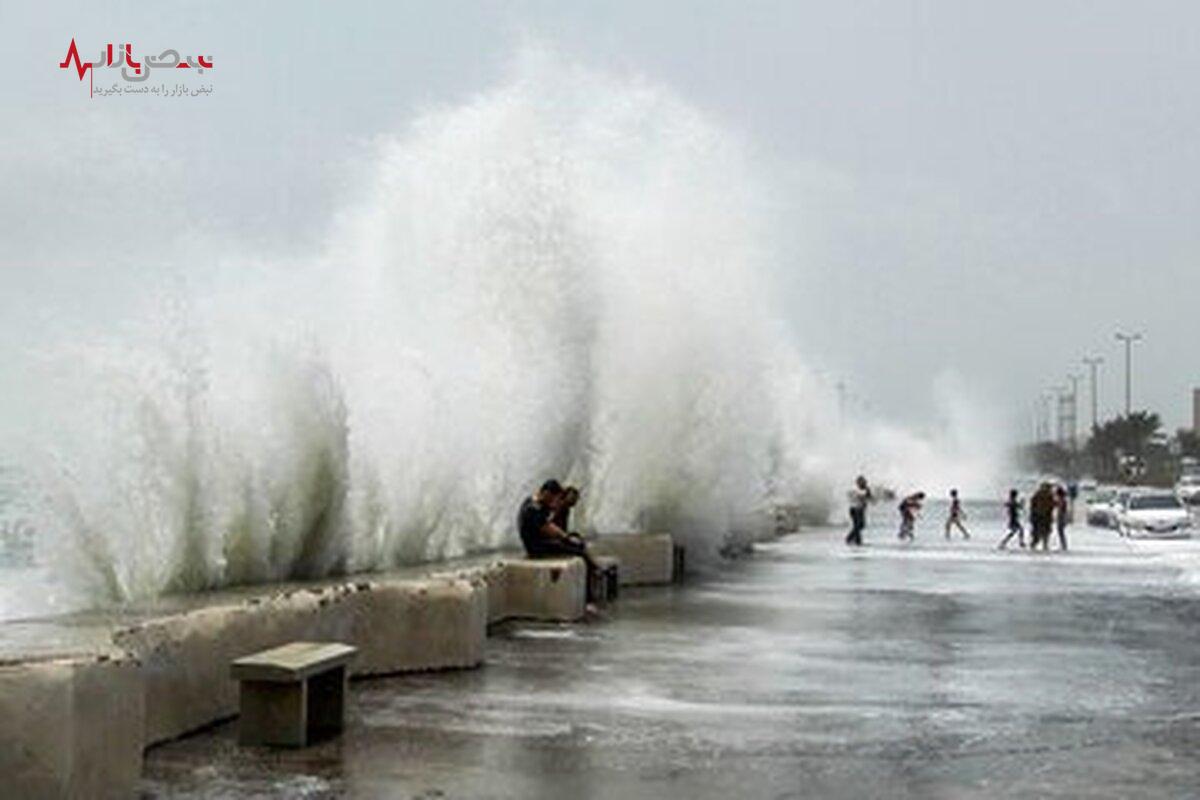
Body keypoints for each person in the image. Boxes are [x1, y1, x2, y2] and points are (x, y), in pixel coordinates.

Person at [517, 479, 602, 600]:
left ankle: (594, 571)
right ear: (546, 493)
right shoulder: (533, 508)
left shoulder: (536, 502)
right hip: (537, 547)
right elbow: (547, 528)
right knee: (579, 552)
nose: (553, 501)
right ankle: (589, 597)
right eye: (552, 497)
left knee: (577, 543)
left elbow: (550, 524)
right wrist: (566, 538)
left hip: (542, 541)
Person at [1028, 482, 1056, 551]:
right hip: (1041, 517)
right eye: (1049, 487)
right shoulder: (1042, 495)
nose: (1050, 489)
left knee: (1044, 532)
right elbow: (1051, 505)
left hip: (1044, 516)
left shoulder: (1040, 495)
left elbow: (1032, 505)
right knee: (1042, 532)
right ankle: (1037, 544)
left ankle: (1041, 544)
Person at [845, 475, 872, 546]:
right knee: (859, 525)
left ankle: (856, 540)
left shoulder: (866, 489)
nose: (865, 484)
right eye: (862, 482)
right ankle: (852, 539)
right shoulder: (857, 490)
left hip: (859, 509)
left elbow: (869, 497)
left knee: (859, 525)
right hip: (855, 509)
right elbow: (861, 495)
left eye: (865, 482)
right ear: (858, 483)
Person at [1054, 484, 1071, 551]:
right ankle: (1063, 545)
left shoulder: (1062, 500)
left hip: (1062, 517)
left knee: (1060, 531)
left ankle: (1064, 545)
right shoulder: (1062, 500)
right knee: (1060, 531)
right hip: (1062, 517)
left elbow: (1060, 508)